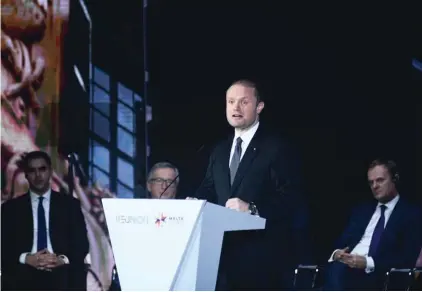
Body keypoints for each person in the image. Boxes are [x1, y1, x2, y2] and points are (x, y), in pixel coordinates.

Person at [194, 80, 310, 290]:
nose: (235, 108)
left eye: (243, 102)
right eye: (230, 102)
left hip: (261, 256)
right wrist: (195, 202)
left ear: (259, 107)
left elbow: (291, 197)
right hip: (219, 257)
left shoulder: (276, 147)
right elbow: (209, 189)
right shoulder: (218, 149)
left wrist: (253, 208)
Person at [324, 159, 422, 290]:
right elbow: (342, 241)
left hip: (380, 276)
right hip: (345, 270)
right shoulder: (361, 211)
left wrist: (368, 263)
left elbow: (407, 258)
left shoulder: (412, 214)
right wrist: (337, 253)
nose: (375, 186)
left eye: (380, 180)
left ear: (395, 179)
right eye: (371, 182)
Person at [1, 151, 89, 290]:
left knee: (72, 275)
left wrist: (61, 259)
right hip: (24, 271)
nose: (38, 175)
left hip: (61, 271)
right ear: (26, 174)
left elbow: (82, 244)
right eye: (32, 170)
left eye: (42, 169)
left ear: (50, 171)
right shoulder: (11, 209)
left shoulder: (70, 205)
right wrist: (27, 258)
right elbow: (4, 248)